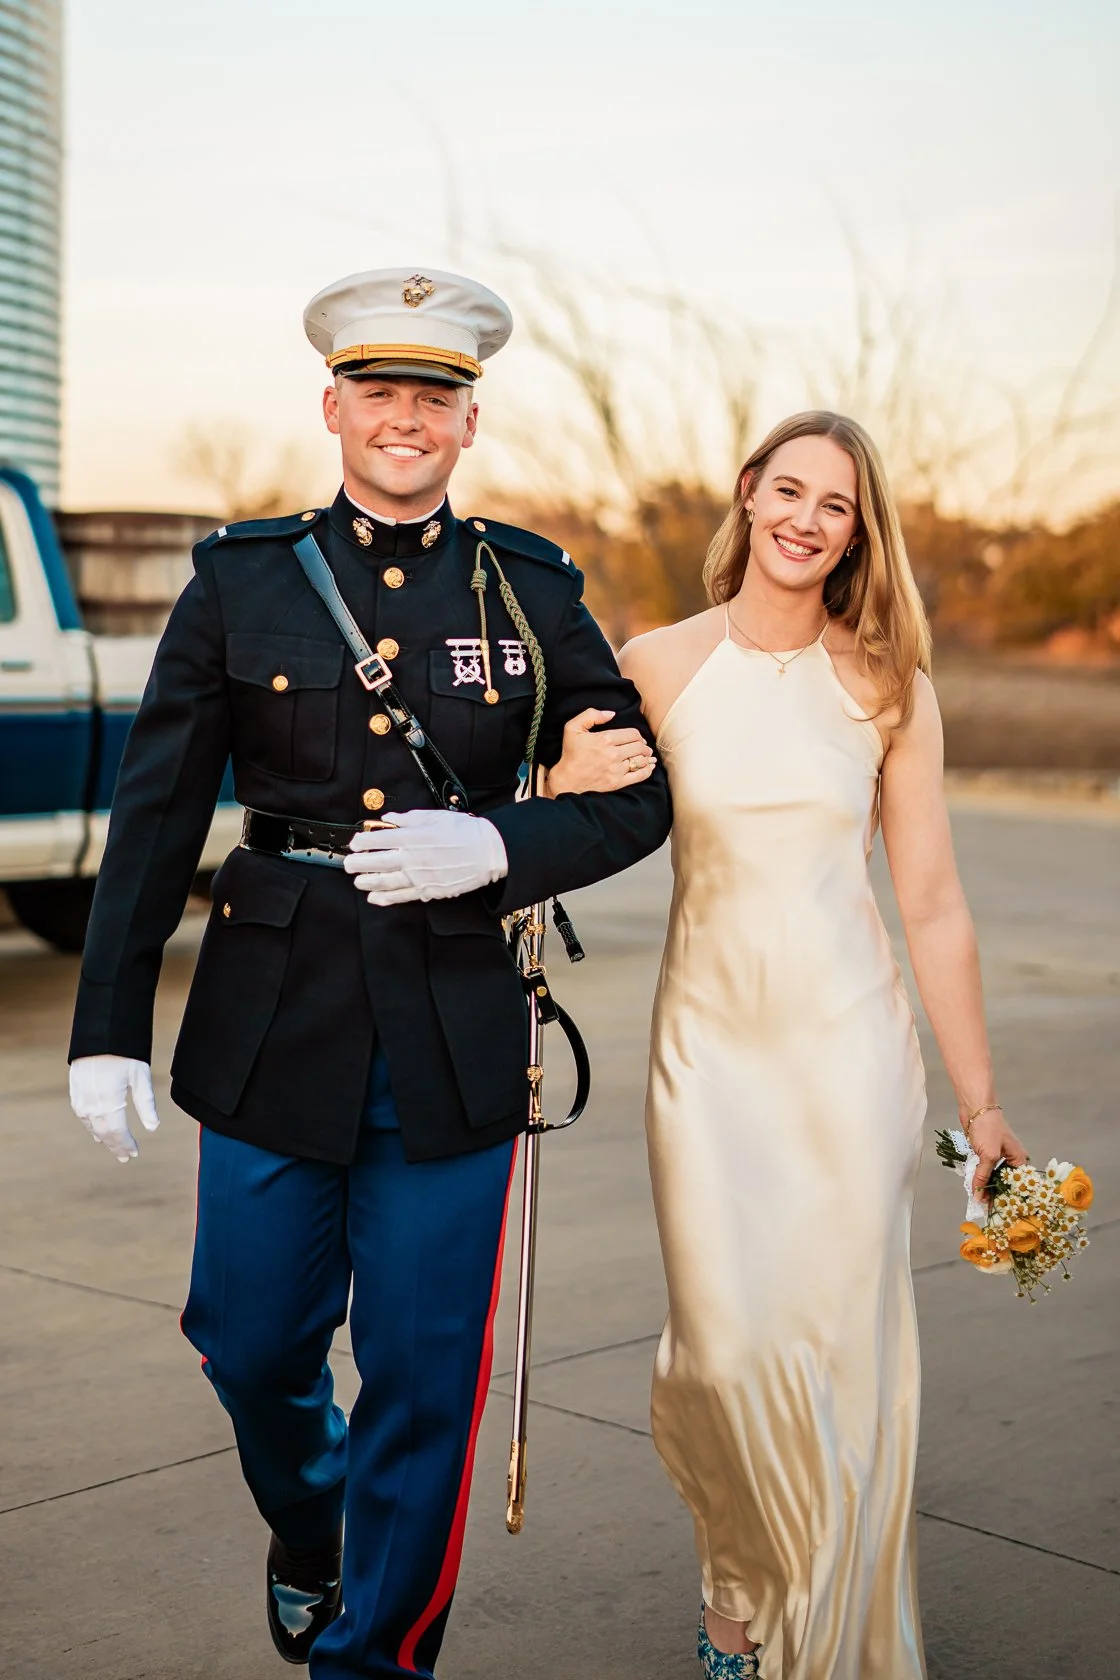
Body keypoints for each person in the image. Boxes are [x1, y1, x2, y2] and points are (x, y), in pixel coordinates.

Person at [66, 266, 670, 1678]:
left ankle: (374, 1659)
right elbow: (156, 818)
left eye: (436, 400)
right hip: (274, 1015)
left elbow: (638, 794)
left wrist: (502, 843)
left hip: (456, 1020)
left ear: (470, 425)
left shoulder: (527, 590)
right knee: (248, 1342)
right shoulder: (241, 581)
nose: (407, 420)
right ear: (333, 407)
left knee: (424, 1384)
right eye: (382, 394)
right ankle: (308, 1521)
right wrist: (105, 1025)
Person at [547, 411, 1029, 1679]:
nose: (810, 519)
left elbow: (929, 902)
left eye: (841, 505)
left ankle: (818, 1643)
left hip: (847, 1060)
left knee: (836, 1357)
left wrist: (978, 1106)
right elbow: (559, 819)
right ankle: (738, 1590)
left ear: (860, 532)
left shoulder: (885, 682)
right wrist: (549, 789)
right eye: (792, 490)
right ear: (750, 493)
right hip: (704, 1063)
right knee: (722, 1353)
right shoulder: (652, 664)